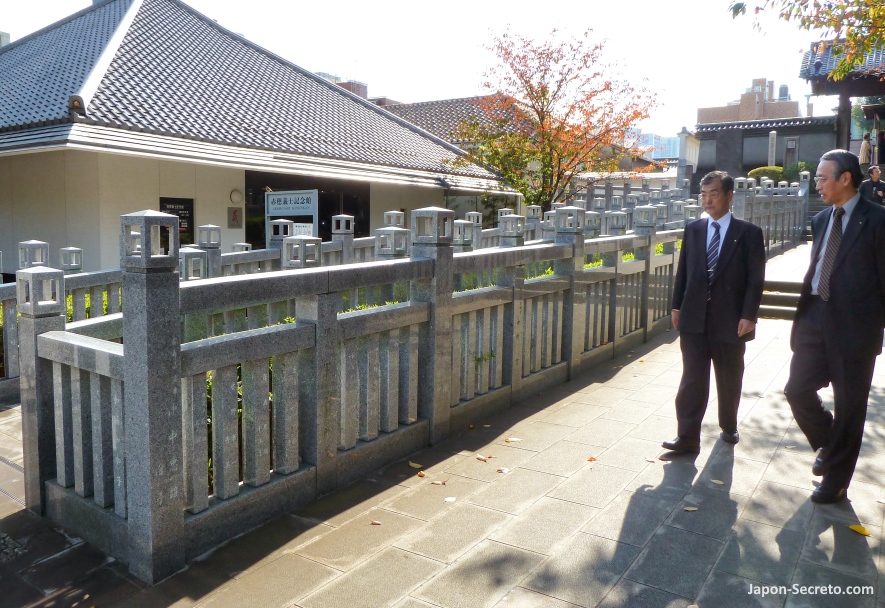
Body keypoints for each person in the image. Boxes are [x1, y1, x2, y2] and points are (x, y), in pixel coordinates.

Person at [784, 149, 885, 504]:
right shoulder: (821, 219)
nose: (817, 184)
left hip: (856, 328)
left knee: (850, 406)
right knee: (797, 390)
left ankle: (836, 482)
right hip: (815, 316)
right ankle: (830, 443)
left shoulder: (878, 220)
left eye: (822, 178)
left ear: (845, 178)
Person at [663, 171, 766, 453]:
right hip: (694, 317)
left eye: (714, 194)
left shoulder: (748, 233)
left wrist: (749, 315)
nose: (707, 200)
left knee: (729, 378)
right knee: (692, 379)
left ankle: (729, 425)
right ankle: (687, 438)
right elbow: (683, 271)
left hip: (731, 320)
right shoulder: (694, 229)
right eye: (704, 194)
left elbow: (755, 279)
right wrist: (676, 306)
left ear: (729, 196)